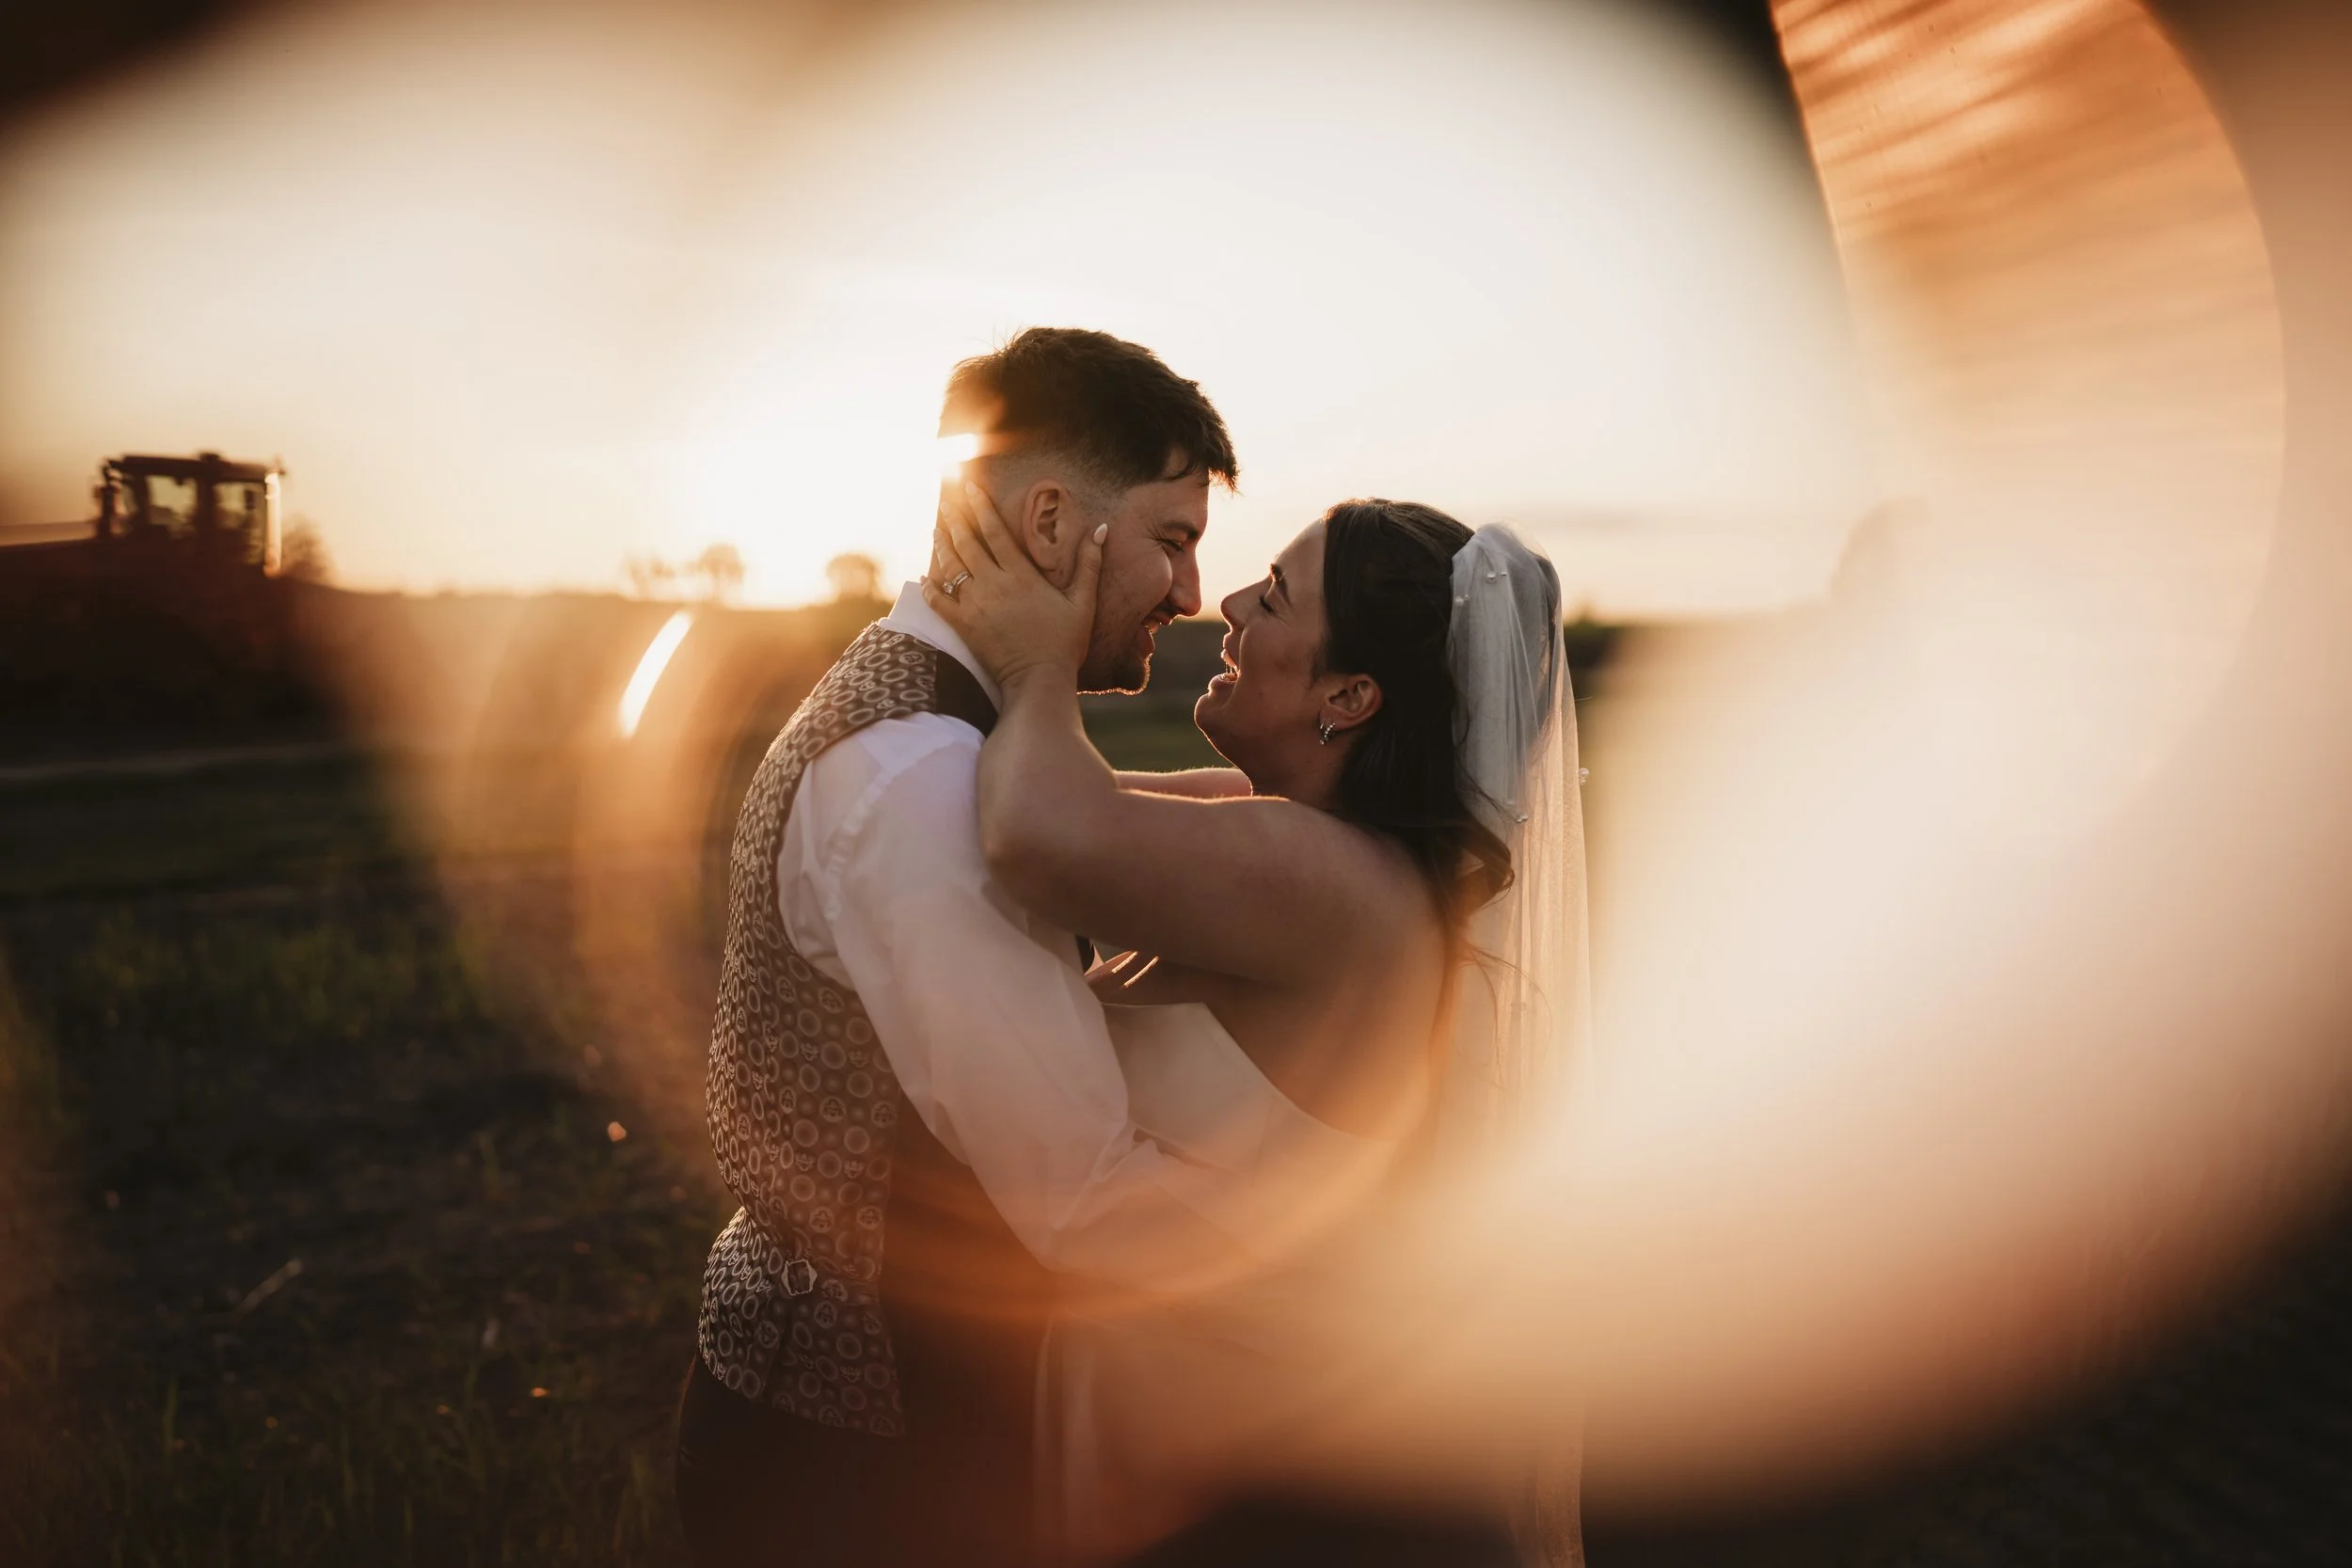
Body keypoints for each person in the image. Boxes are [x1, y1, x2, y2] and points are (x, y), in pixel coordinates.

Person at [675, 326, 1258, 1568]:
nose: (1193, 592)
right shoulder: (921, 777)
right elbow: (1086, 1195)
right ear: (1052, 520)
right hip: (856, 1460)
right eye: (1174, 538)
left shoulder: (944, 721)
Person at [925, 489, 1590, 1566]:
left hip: (1297, 1506)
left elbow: (1035, 828)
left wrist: (1035, 657)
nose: (1227, 603)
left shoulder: (1336, 882)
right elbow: (969, 803)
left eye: (1275, 598)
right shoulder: (1285, 836)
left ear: (1351, 693)